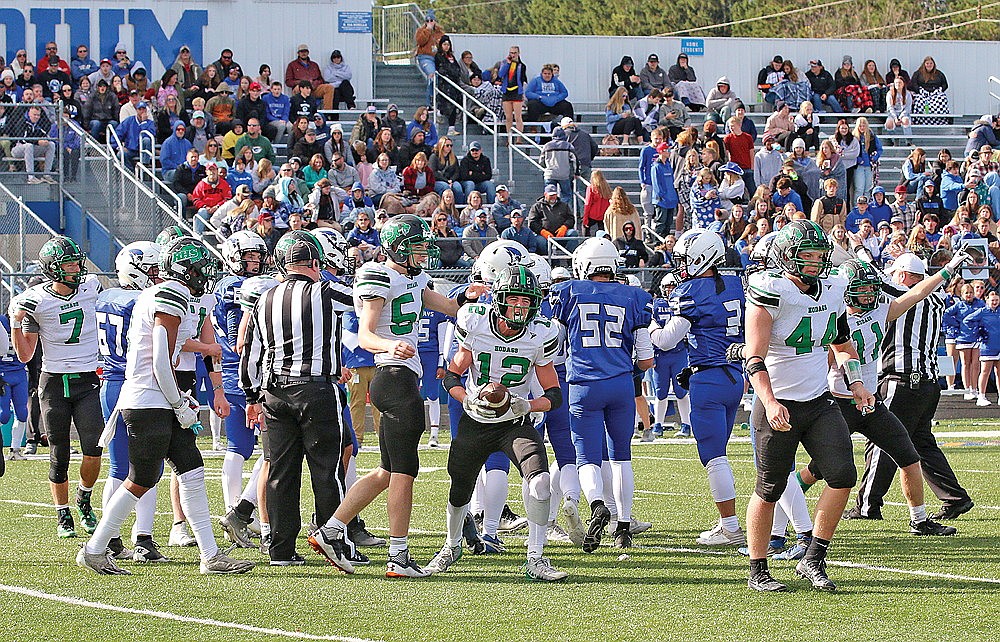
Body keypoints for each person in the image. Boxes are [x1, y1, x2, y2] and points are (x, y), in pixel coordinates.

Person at [308, 214, 486, 577]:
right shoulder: (378, 275)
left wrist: (472, 295)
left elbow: (451, 308)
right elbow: (366, 335)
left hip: (402, 378)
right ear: (399, 248)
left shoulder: (415, 278)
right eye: (418, 246)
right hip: (393, 375)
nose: (424, 253)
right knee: (405, 472)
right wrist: (393, 345)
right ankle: (399, 556)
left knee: (386, 471)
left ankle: (330, 529)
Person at [77, 235, 253, 576]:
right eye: (201, 269)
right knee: (141, 478)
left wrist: (180, 399)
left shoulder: (174, 294)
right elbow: (160, 358)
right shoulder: (169, 294)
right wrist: (179, 403)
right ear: (186, 270)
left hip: (158, 398)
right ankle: (95, 549)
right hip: (149, 399)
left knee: (192, 469)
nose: (206, 275)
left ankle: (211, 555)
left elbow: (170, 354)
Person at [738, 219, 875, 592]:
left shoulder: (832, 289)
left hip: (818, 401)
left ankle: (814, 557)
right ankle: (758, 569)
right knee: (769, 488)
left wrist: (858, 383)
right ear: (786, 258)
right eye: (806, 256)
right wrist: (768, 401)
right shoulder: (770, 292)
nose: (815, 263)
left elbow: (843, 346)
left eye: (819, 255)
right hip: (777, 403)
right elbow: (754, 359)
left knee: (843, 475)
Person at [796, 256, 967, 537]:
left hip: (872, 401)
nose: (869, 294)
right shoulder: (835, 318)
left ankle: (919, 520)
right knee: (821, 469)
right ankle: (787, 504)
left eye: (871, 288)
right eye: (861, 289)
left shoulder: (880, 310)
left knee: (909, 457)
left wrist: (946, 271)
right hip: (841, 402)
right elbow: (825, 359)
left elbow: (917, 292)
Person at [424, 265, 568, 581]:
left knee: (541, 482)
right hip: (476, 420)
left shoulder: (541, 333)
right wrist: (467, 399)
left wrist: (526, 404)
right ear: (499, 299)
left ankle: (536, 557)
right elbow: (451, 374)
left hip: (515, 422)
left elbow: (554, 395)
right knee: (460, 487)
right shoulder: (475, 323)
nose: (520, 307)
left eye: (527, 301)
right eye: (514, 299)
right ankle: (451, 545)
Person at [237, 232, 355, 565]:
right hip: (316, 388)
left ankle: (281, 550)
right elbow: (363, 298)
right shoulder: (326, 291)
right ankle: (335, 541)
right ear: (316, 264)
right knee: (326, 471)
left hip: (274, 392)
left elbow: (250, 351)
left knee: (279, 472)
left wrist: (251, 395)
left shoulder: (265, 298)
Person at [851, 252, 975, 522]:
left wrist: (857, 250)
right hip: (928, 384)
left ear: (904, 276)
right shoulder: (938, 298)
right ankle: (955, 497)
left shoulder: (910, 293)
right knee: (921, 443)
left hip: (902, 379)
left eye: (896, 273)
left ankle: (867, 505)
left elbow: (876, 280)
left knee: (882, 440)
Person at [551, 237, 654, 550]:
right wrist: (624, 370)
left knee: (586, 457)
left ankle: (597, 504)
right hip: (621, 383)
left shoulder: (568, 292)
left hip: (582, 384)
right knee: (621, 455)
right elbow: (647, 358)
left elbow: (554, 349)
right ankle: (622, 526)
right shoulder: (634, 296)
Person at [650, 229, 746, 544]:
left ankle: (730, 527)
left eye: (684, 257)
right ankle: (743, 525)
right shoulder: (736, 283)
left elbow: (666, 340)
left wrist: (648, 322)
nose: (680, 264)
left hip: (708, 377)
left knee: (714, 456)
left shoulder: (690, 291)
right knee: (723, 452)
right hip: (736, 376)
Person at [10, 237, 103, 539]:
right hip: (53, 382)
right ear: (53, 269)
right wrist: (16, 323)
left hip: (87, 379)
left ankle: (84, 500)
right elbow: (25, 355)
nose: (77, 269)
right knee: (59, 452)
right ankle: (62, 514)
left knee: (93, 448)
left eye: (77, 262)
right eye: (69, 264)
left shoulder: (92, 287)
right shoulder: (35, 300)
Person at [968, 290, 1000, 405]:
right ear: (987, 301)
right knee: (985, 371)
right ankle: (981, 396)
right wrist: (978, 330)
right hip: (987, 346)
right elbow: (967, 320)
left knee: (999, 372)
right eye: (992, 300)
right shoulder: (982, 312)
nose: (995, 302)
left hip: (999, 346)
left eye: (996, 300)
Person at [12, 106, 56, 184]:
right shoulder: (22, 122)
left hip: (32, 149)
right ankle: (31, 177)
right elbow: (23, 139)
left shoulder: (38, 123)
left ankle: (46, 174)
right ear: (29, 113)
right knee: (29, 146)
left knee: (51, 144)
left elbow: (44, 134)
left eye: (38, 115)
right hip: (18, 149)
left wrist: (45, 140)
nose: (36, 117)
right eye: (34, 115)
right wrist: (38, 142)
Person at [414, 10, 445, 107]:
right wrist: (428, 30)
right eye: (427, 21)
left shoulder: (440, 33)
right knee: (432, 75)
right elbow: (421, 41)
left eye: (431, 20)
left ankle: (438, 100)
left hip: (437, 58)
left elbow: (444, 45)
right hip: (425, 57)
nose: (430, 22)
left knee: (439, 78)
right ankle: (430, 100)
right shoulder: (421, 31)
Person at [497, 46, 528, 144]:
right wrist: (507, 64)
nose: (512, 55)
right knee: (508, 117)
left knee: (518, 117)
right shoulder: (504, 63)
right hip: (507, 92)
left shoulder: (521, 65)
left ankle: (519, 138)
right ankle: (509, 138)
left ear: (518, 53)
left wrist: (522, 93)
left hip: (516, 92)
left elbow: (522, 79)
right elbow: (500, 74)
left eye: (514, 53)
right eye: (511, 53)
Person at [651, 141, 679, 236]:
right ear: (662, 151)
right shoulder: (656, 167)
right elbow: (656, 184)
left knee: (668, 223)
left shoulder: (668, 165)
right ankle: (657, 243)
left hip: (671, 199)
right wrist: (661, 196)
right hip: (662, 201)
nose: (669, 152)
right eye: (667, 150)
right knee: (661, 223)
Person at [539, 129, 575, 204]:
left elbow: (541, 161)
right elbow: (575, 160)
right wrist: (576, 172)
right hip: (564, 174)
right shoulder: (568, 146)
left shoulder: (547, 146)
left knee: (548, 194)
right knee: (566, 195)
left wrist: (547, 167)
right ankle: (562, 211)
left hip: (550, 174)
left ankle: (549, 211)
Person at [910, 56, 949, 126]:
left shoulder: (939, 73)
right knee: (919, 100)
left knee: (942, 98)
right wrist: (920, 90)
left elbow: (945, 85)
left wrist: (939, 90)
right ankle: (920, 120)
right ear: (924, 64)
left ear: (934, 64)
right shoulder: (918, 73)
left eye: (931, 63)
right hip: (922, 94)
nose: (929, 65)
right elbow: (913, 84)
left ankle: (940, 120)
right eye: (927, 63)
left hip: (936, 94)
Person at [583, 169, 611, 236]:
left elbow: (588, 203)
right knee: (602, 233)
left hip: (592, 214)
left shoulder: (591, 188)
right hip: (603, 215)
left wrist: (585, 217)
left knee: (586, 228)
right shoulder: (607, 188)